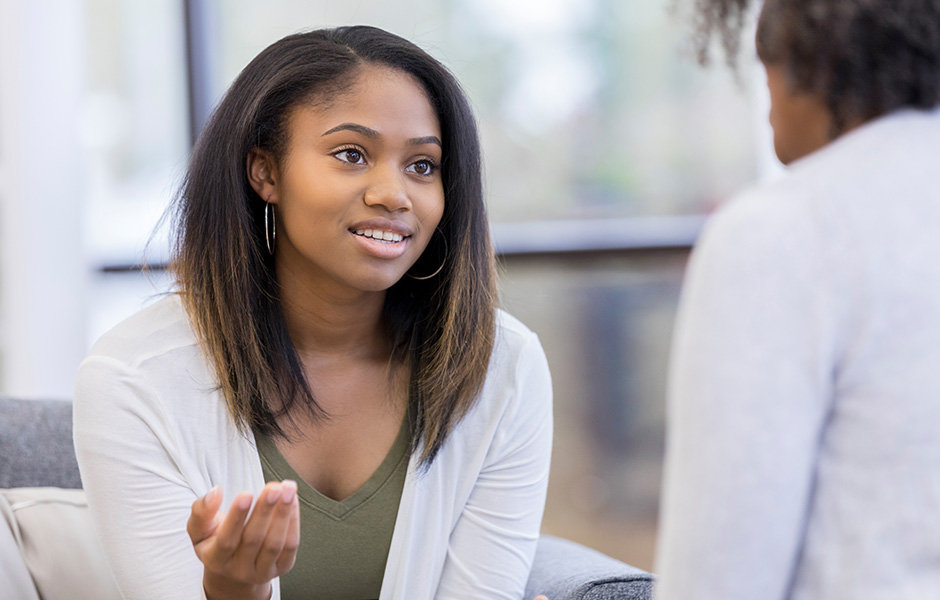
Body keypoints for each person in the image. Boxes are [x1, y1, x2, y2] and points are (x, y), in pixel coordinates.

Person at [73, 26, 553, 600]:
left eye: (422, 166)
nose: (394, 194)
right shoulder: (132, 379)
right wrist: (234, 590)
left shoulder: (504, 369)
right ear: (265, 172)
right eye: (352, 154)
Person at [656, 1, 940, 598]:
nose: (766, 110)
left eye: (764, 68)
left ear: (812, 61)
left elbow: (719, 582)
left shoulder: (782, 232)